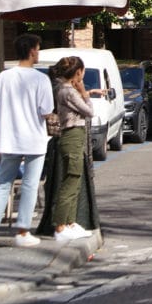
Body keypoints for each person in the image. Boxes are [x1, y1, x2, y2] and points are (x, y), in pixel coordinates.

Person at [0, 34, 54, 249]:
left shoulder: (4, 77)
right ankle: (23, 230)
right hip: (33, 138)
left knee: (3, 184)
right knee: (30, 185)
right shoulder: (41, 79)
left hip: (10, 137)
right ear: (32, 50)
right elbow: (46, 111)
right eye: (38, 49)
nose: (38, 53)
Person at [46, 56, 99, 243]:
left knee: (74, 180)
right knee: (71, 181)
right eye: (82, 71)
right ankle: (61, 225)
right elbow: (89, 111)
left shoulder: (63, 89)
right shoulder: (68, 91)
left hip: (73, 135)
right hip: (72, 135)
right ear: (78, 73)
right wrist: (84, 92)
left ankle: (70, 222)